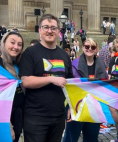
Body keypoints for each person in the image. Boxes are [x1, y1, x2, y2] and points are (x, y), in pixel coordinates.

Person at [19, 14, 74, 142]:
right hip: (35, 116)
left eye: (53, 28)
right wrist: (52, 79)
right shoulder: (30, 53)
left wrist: (71, 107)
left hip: (58, 116)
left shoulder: (64, 55)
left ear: (58, 31)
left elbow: (70, 84)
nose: (49, 31)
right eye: (46, 27)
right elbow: (26, 81)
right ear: (40, 30)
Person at [63, 38, 107, 142]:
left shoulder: (101, 65)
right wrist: (70, 107)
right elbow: (71, 89)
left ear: (96, 49)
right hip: (77, 106)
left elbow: (104, 86)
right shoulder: (75, 64)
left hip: (94, 108)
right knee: (70, 138)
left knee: (91, 138)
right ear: (82, 48)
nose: (90, 49)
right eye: (87, 47)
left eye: (93, 47)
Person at [0, 32, 24, 142]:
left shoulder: (18, 65)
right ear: (3, 43)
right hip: (3, 118)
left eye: (19, 44)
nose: (16, 47)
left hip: (18, 115)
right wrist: (9, 126)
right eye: (12, 43)